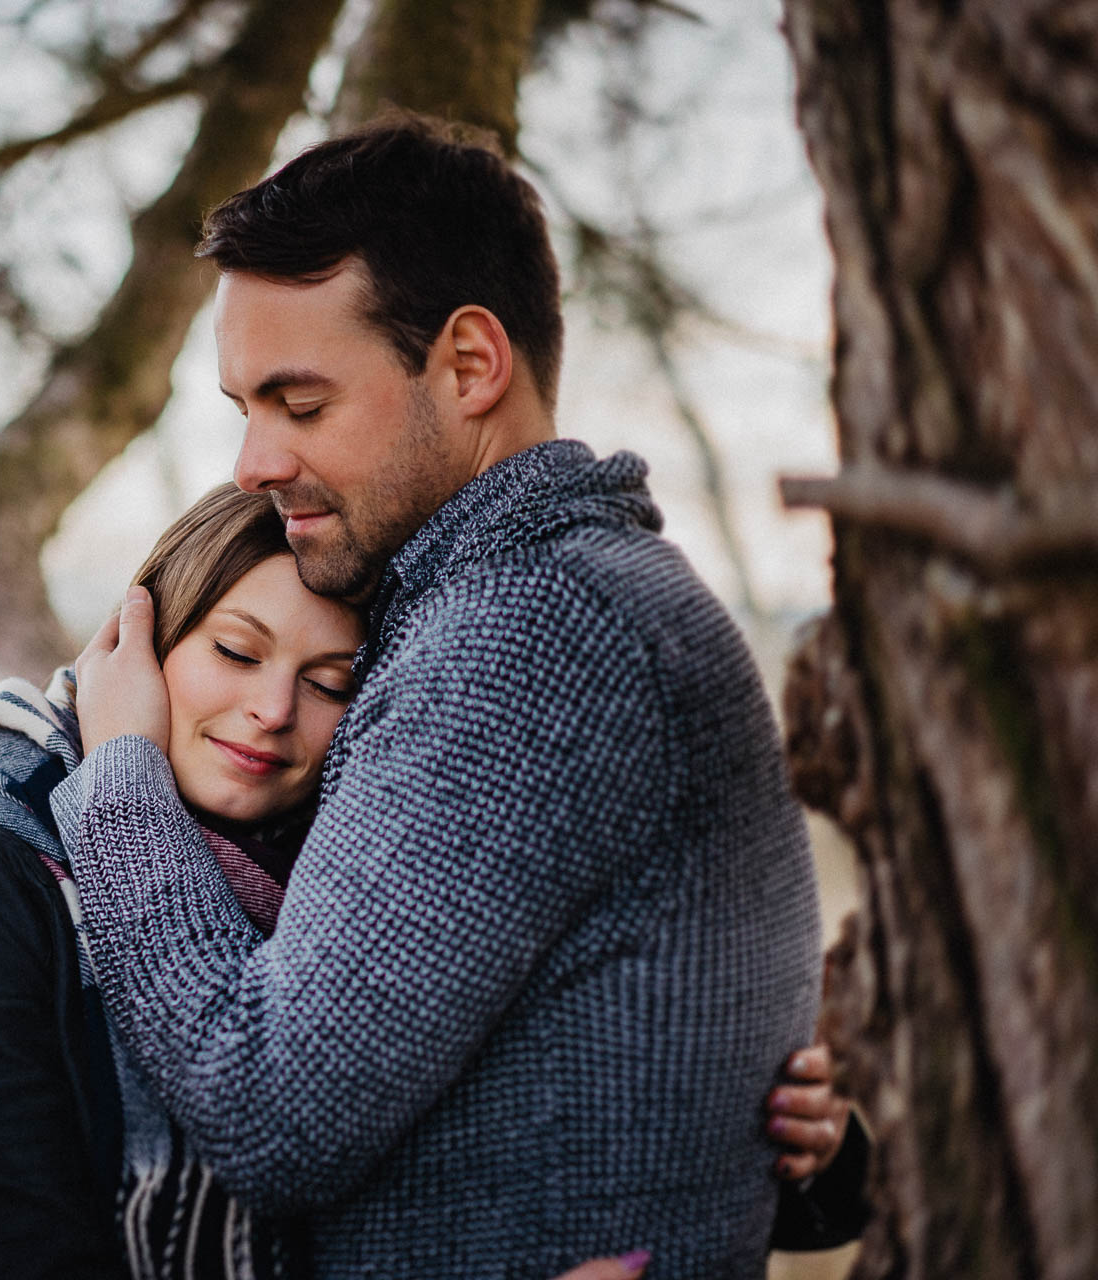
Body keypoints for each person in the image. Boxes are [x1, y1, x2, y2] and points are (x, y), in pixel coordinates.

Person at [57, 118, 827, 1277]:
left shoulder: (529, 634)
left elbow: (270, 1109)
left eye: (299, 403)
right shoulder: (534, 596)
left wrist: (115, 774)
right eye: (243, 408)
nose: (252, 463)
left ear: (470, 363)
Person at [0, 485, 857, 1279]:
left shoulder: (382, 880)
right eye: (236, 650)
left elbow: (532, 1126)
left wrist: (794, 1144)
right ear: (144, 644)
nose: (271, 707)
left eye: (333, 681)